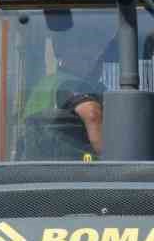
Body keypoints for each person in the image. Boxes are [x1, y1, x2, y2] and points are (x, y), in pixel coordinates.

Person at [22, 29, 104, 159]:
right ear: (64, 51)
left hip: (37, 166)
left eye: (94, 58)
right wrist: (112, 158)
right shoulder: (72, 83)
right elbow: (92, 114)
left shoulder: (45, 83)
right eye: (86, 57)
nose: (91, 62)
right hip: (72, 170)